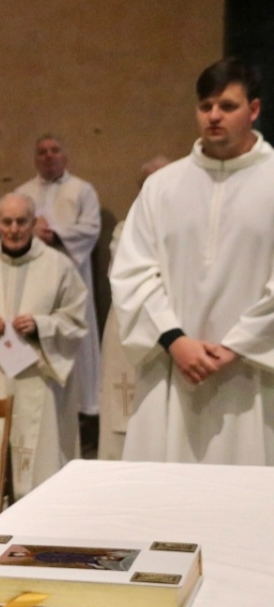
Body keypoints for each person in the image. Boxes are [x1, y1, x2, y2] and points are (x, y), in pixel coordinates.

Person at [111, 57, 274, 465]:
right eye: (206, 106)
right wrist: (174, 339)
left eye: (228, 106)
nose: (214, 116)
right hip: (171, 371)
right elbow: (133, 271)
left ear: (254, 110)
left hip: (252, 377)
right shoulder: (162, 188)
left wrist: (237, 345)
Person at [0, 193, 88, 538]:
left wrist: (43, 325)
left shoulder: (59, 266)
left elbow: (76, 321)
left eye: (21, 221)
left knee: (35, 452)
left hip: (36, 376)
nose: (13, 229)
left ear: (33, 222)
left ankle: (40, 536)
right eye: (6, 222)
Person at [15, 134, 102, 453]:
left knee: (77, 343)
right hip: (34, 280)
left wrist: (54, 233)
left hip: (73, 279)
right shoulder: (23, 192)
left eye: (55, 151)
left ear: (65, 156)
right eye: (42, 152)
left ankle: (84, 415)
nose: (49, 157)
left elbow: (91, 228)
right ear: (35, 158)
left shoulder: (82, 189)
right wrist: (31, 232)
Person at [97, 155, 169, 460]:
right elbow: (123, 275)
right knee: (124, 408)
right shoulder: (125, 228)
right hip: (130, 323)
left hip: (173, 325)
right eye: (148, 184)